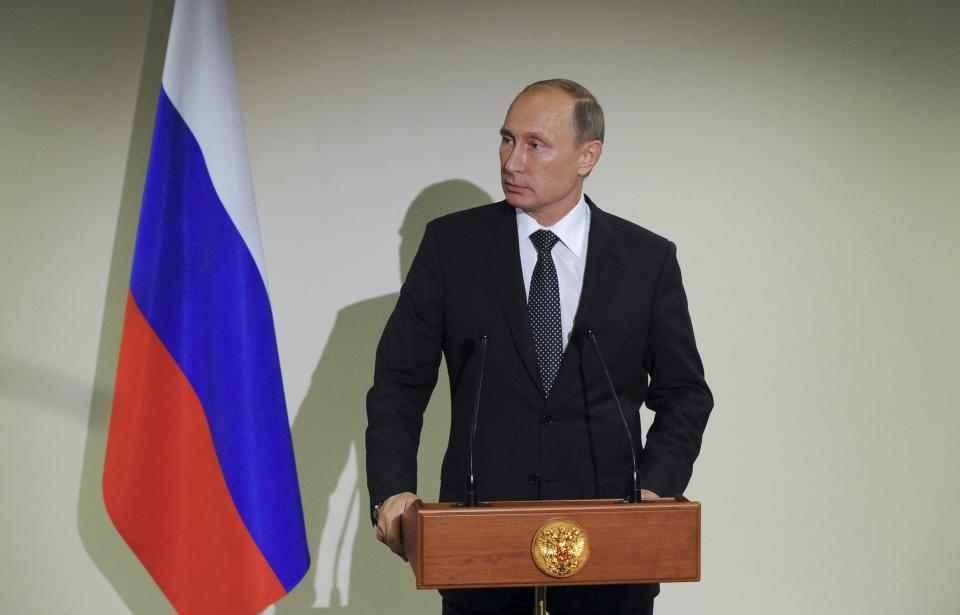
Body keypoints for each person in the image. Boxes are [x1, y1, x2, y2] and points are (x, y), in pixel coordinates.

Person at [366, 79, 713, 615]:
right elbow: (399, 382)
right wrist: (393, 488)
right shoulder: (451, 247)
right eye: (506, 140)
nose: (512, 161)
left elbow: (685, 394)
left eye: (535, 144)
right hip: (479, 544)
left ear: (587, 156)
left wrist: (656, 490)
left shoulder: (647, 260)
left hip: (610, 547)